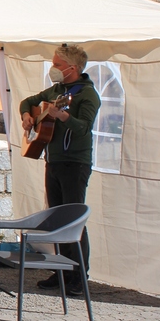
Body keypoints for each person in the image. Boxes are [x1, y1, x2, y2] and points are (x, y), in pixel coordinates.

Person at [20, 44, 101, 296]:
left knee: (73, 220)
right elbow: (27, 102)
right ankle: (62, 271)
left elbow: (84, 128)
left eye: (57, 64)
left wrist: (63, 116)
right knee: (57, 218)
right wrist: (27, 115)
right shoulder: (56, 90)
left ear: (72, 68)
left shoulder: (88, 95)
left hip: (75, 163)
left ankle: (79, 276)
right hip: (53, 161)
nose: (53, 68)